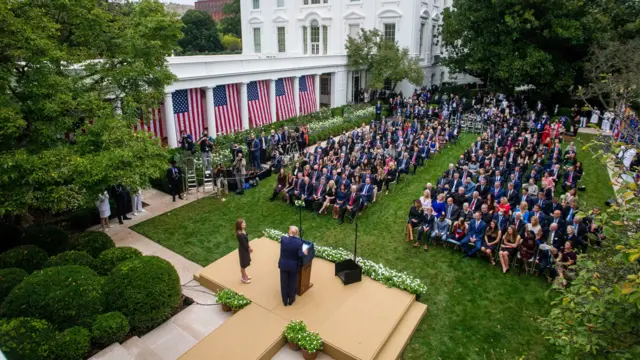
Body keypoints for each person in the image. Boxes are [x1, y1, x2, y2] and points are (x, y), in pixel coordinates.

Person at [278, 226, 309, 306]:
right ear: (296, 233)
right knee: (292, 283)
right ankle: (291, 299)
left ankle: (284, 301)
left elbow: (286, 236)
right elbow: (300, 254)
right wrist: (304, 253)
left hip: (283, 265)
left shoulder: (283, 240)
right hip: (293, 266)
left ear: (290, 232)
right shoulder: (299, 242)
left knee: (284, 283)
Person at [236, 219, 252, 284]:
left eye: (245, 223)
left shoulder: (243, 231)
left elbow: (246, 241)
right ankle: (243, 278)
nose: (245, 224)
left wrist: (249, 246)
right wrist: (249, 248)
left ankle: (245, 275)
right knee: (243, 264)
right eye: (243, 224)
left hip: (245, 249)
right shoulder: (239, 234)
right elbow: (244, 244)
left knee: (245, 263)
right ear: (239, 225)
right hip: (243, 250)